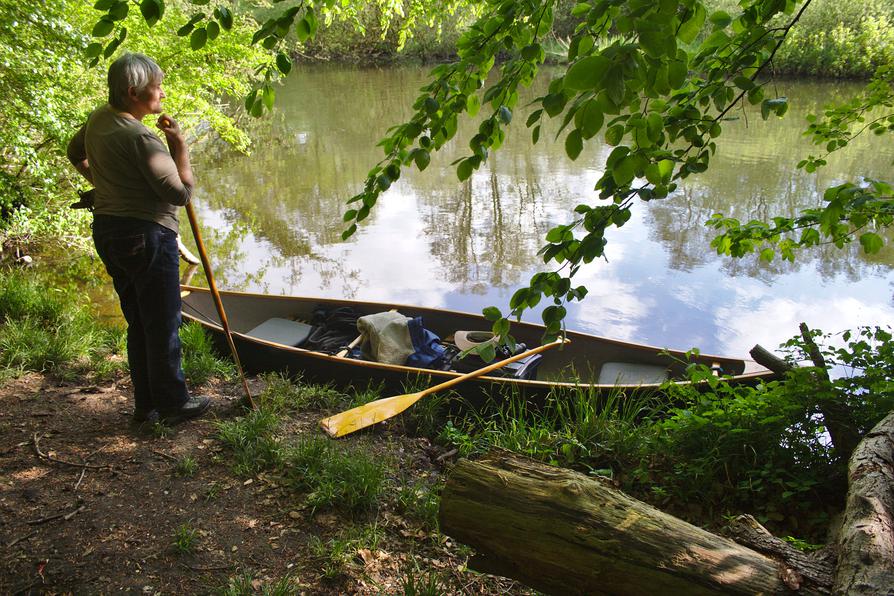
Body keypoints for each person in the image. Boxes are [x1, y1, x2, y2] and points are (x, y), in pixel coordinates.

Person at [67, 52, 209, 426]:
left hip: (109, 231)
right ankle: (174, 405)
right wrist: (179, 145)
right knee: (162, 323)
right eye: (156, 86)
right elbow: (180, 194)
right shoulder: (141, 138)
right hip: (146, 236)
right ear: (133, 92)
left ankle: (146, 405)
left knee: (139, 321)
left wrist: (103, 186)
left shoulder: (99, 118)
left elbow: (74, 152)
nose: (162, 91)